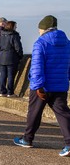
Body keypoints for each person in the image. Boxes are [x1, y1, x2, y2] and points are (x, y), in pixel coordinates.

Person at [13, 15, 70, 157]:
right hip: (60, 86)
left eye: (39, 29)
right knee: (63, 114)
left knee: (34, 113)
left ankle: (27, 139)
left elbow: (37, 67)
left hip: (42, 87)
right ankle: (69, 144)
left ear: (44, 29)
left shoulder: (41, 43)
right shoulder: (67, 43)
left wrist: (38, 86)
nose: (38, 31)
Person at [0, 20, 23, 97]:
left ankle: (2, 92)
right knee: (10, 76)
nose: (16, 27)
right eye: (15, 26)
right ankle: (10, 93)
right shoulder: (14, 35)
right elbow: (18, 48)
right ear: (12, 26)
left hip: (1, 57)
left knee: (2, 75)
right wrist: (20, 56)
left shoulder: (1, 35)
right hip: (11, 58)